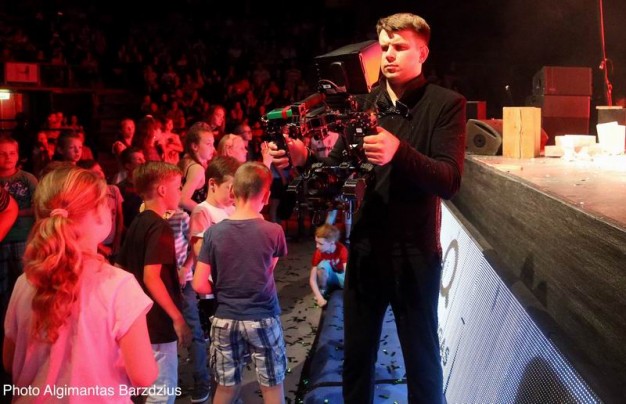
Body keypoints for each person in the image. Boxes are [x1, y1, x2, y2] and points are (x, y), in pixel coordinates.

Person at [271, 13, 466, 403]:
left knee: (422, 361)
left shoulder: (446, 104)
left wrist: (399, 151)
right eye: (385, 46)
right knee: (357, 359)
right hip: (364, 251)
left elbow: (449, 180)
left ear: (422, 53)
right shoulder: (362, 104)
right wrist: (303, 159)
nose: (390, 54)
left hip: (415, 255)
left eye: (400, 47)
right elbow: (334, 174)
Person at [3, 165, 157, 401]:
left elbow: (9, 361)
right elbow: (143, 376)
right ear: (99, 214)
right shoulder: (119, 285)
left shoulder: (25, 282)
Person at [192, 162, 288, 404]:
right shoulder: (274, 231)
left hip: (225, 318)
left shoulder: (213, 233)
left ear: (233, 191)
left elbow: (199, 284)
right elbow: (267, 270)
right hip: (263, 316)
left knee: (225, 388)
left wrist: (221, 292)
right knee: (272, 386)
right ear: (266, 196)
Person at [116, 161, 192, 404]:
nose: (180, 192)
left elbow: (121, 267)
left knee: (144, 387)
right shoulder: (160, 227)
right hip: (158, 321)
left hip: (140, 319)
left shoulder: (138, 221)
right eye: (178, 187)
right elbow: (152, 276)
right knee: (162, 391)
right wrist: (177, 318)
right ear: (162, 190)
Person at [77, 159, 125, 263]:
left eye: (100, 170)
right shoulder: (87, 196)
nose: (100, 174)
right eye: (95, 173)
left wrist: (118, 239)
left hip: (113, 240)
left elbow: (120, 215)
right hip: (97, 243)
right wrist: (100, 246)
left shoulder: (113, 190)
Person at [178, 122, 216, 213]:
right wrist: (207, 213)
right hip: (190, 219)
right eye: (208, 144)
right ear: (195, 146)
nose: (213, 148)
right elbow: (182, 200)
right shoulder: (197, 169)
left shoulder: (186, 160)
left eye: (213, 144)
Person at [309, 224, 348, 308]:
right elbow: (312, 279)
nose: (317, 246)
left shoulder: (342, 249)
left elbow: (347, 274)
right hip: (329, 277)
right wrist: (319, 297)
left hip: (341, 276)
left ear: (331, 243)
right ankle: (323, 290)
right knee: (322, 265)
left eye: (320, 244)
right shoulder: (318, 253)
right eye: (316, 242)